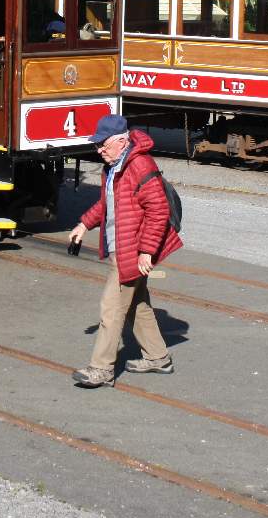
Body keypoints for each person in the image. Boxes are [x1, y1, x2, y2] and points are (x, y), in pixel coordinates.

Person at [68, 114, 183, 388]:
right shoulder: (116, 165)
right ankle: (158, 357)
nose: (98, 151)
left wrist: (146, 252)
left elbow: (158, 211)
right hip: (124, 246)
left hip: (132, 251)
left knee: (111, 308)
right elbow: (111, 204)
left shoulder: (139, 165)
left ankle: (101, 369)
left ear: (121, 141)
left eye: (102, 145)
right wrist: (84, 224)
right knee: (136, 305)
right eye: (96, 146)